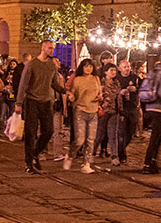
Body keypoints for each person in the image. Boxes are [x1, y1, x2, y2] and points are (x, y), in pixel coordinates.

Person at [19, 42, 66, 174]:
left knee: (48, 131)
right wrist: (18, 103)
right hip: (32, 101)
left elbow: (53, 83)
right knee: (31, 132)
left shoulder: (51, 64)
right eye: (50, 48)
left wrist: (64, 91)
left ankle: (35, 153)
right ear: (43, 48)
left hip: (46, 102)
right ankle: (29, 163)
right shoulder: (32, 64)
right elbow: (23, 84)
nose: (52, 50)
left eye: (53, 48)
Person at [68, 57, 102, 172]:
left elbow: (100, 92)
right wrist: (71, 96)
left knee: (91, 139)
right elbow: (72, 92)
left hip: (93, 110)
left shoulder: (96, 78)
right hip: (81, 110)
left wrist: (100, 97)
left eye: (91, 66)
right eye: (86, 66)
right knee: (80, 139)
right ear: (82, 68)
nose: (89, 68)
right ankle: (71, 155)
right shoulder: (77, 79)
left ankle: (86, 163)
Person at [98, 64, 126, 165]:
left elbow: (119, 98)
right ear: (105, 72)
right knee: (99, 134)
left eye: (114, 70)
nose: (113, 72)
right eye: (111, 70)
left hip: (114, 112)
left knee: (113, 135)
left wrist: (121, 110)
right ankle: (91, 153)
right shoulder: (101, 82)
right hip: (103, 111)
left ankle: (114, 156)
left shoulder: (116, 83)